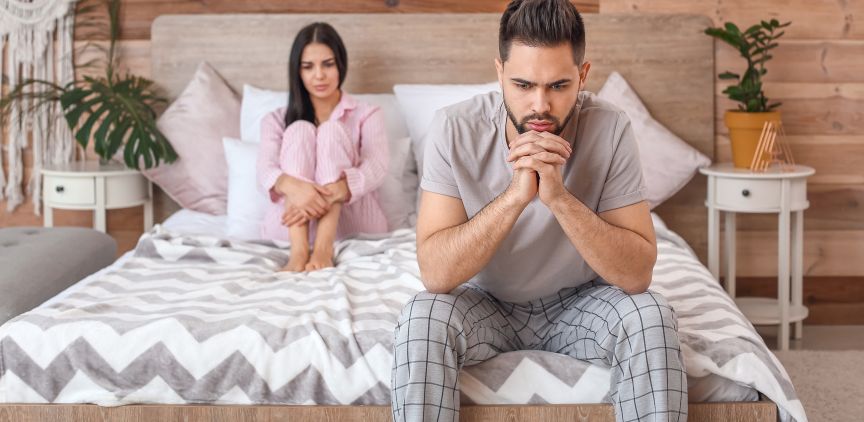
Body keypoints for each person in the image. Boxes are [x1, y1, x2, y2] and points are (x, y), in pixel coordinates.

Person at [390, 1, 687, 421]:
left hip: (580, 303)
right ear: (499, 73)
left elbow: (637, 274)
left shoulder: (610, 127)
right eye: (524, 85)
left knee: (651, 314)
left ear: (583, 76)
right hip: (484, 304)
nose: (540, 105)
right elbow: (436, 274)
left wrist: (559, 199)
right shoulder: (453, 129)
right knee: (421, 316)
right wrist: (515, 196)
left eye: (559, 86)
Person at [257, 22, 389, 272]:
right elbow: (264, 169)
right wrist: (295, 188)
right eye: (308, 67)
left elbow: (378, 166)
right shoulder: (275, 119)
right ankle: (298, 252)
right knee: (299, 129)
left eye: (327, 64)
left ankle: (323, 249)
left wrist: (338, 189)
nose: (319, 75)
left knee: (330, 131)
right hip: (289, 225)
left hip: (352, 225)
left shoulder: (368, 114)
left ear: (341, 64)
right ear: (297, 71)